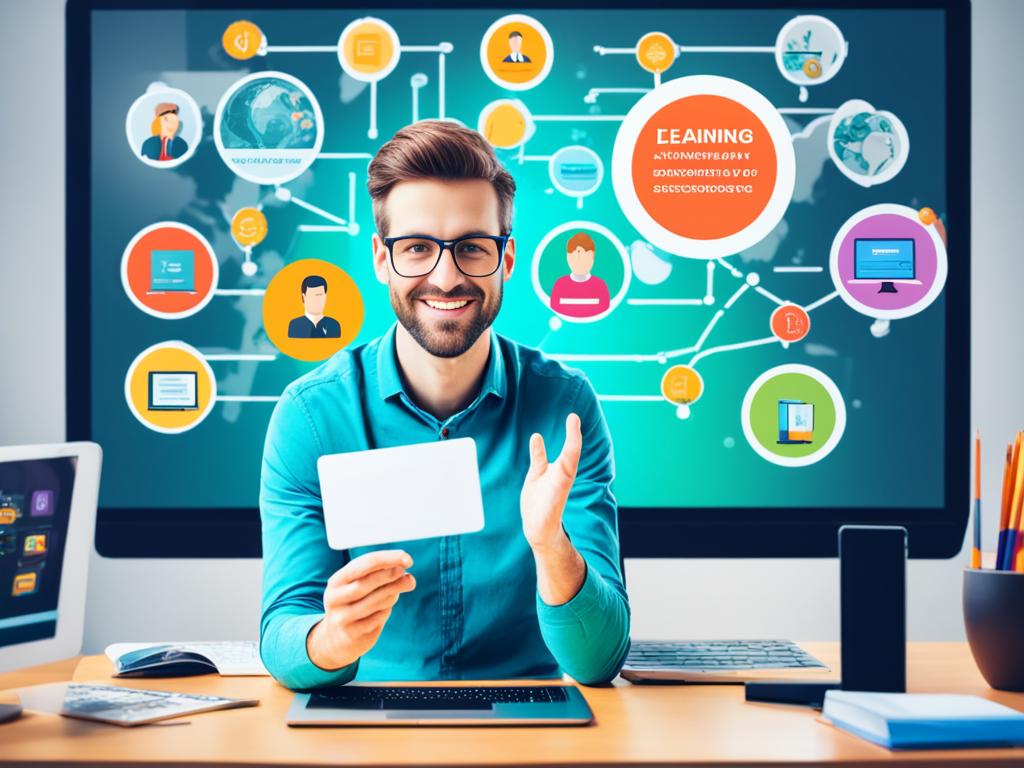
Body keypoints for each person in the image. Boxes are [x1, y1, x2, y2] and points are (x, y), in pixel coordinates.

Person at [260, 120, 630, 689]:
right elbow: (283, 634)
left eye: (472, 248)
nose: (446, 276)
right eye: (416, 248)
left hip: (530, 726)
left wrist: (551, 545)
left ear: (506, 260)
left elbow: (599, 661)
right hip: (367, 722)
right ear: (383, 260)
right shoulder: (311, 416)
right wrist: (331, 637)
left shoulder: (565, 407)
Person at [549, 232, 612, 318]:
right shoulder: (560, 284)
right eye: (574, 256)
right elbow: (554, 306)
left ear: (592, 257)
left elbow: (604, 306)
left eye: (584, 256)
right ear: (568, 258)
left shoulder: (600, 285)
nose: (579, 260)